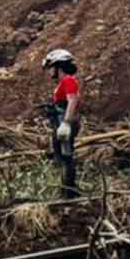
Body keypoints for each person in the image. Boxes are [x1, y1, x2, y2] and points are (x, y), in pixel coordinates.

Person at [43, 49, 83, 200]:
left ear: (58, 66)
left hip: (64, 122)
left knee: (66, 155)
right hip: (59, 121)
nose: (50, 72)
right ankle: (66, 190)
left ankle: (69, 192)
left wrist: (66, 123)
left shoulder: (68, 80)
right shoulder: (64, 82)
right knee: (61, 155)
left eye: (51, 68)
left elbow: (73, 100)